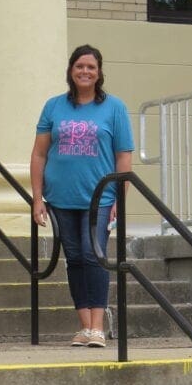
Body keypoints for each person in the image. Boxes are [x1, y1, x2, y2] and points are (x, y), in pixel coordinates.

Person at [30, 44, 134, 348]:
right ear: (70, 71)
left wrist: (119, 200)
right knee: (74, 259)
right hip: (60, 198)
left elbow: (123, 159)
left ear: (99, 72)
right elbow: (39, 154)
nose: (85, 72)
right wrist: (37, 198)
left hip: (98, 198)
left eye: (91, 67)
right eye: (79, 66)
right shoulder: (54, 106)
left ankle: (98, 327)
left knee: (94, 256)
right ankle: (84, 326)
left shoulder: (114, 108)